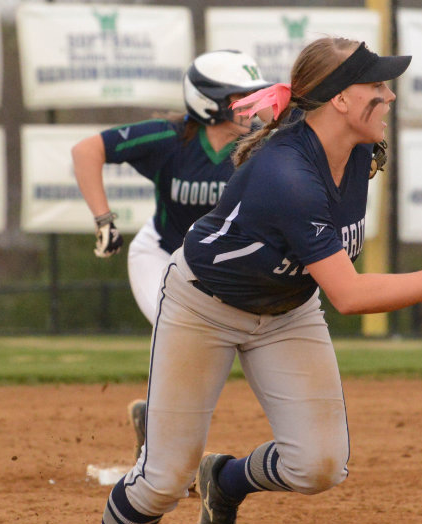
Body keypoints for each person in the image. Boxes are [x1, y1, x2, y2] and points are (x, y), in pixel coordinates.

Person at [64, 36, 422, 524]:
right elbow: (349, 296)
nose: (389, 94)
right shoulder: (285, 175)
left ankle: (225, 481)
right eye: (376, 86)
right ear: (340, 100)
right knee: (164, 476)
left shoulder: (360, 150)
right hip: (204, 306)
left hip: (288, 311)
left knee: (320, 466)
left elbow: (325, 274)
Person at [72, 50, 272, 460]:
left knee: (201, 347)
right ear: (207, 102)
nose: (251, 107)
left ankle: (153, 422)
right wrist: (103, 218)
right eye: (238, 97)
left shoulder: (262, 144)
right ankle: (161, 451)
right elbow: (86, 150)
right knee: (178, 333)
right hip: (160, 256)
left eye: (253, 96)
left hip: (217, 270)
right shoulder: (170, 138)